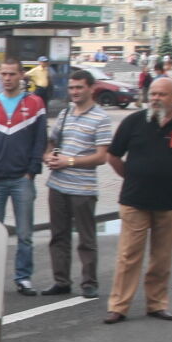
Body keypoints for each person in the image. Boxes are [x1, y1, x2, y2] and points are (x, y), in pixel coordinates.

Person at [102, 77, 172, 323]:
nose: (156, 99)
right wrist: (133, 176)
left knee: (162, 257)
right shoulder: (133, 122)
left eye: (162, 94)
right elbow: (114, 156)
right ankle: (119, 306)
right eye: (153, 94)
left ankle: (157, 304)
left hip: (170, 202)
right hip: (135, 199)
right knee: (129, 255)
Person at [0, 58, 48, 295]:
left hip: (21, 180)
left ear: (21, 76)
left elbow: (40, 142)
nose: (7, 79)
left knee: (25, 233)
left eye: (12, 74)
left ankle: (23, 278)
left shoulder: (35, 104)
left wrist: (31, 172)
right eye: (3, 74)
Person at [40, 70, 112, 298]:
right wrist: (49, 157)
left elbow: (102, 157)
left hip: (83, 188)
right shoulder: (65, 114)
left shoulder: (101, 117)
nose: (74, 92)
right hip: (58, 185)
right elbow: (51, 143)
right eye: (71, 88)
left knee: (86, 237)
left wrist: (69, 161)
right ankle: (61, 281)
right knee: (58, 235)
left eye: (79, 87)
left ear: (91, 88)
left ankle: (89, 282)